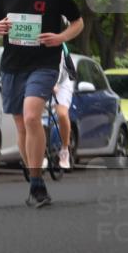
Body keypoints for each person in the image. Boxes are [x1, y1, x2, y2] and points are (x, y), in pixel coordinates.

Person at [0, 0, 83, 208]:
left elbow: (78, 22)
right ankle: (33, 175)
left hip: (44, 63)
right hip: (13, 65)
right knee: (20, 124)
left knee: (31, 116)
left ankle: (37, 184)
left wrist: (60, 37)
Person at [53, 41, 77, 170]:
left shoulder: (58, 43)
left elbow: (60, 66)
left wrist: (54, 83)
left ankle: (64, 149)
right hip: (42, 79)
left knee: (62, 113)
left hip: (61, 81)